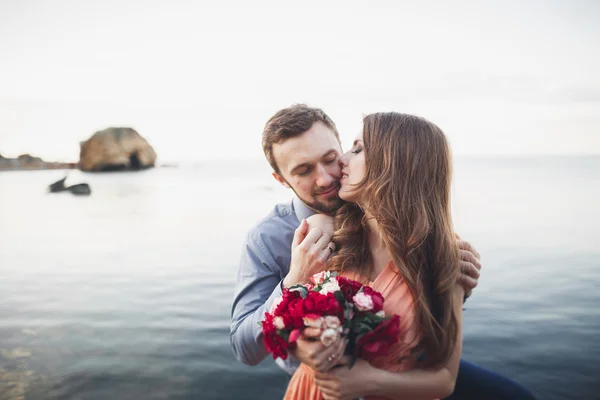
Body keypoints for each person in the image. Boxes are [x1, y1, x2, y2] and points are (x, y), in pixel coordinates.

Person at [230, 105, 534, 399]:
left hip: (399, 367)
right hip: (321, 380)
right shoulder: (277, 238)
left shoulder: (392, 223)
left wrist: (455, 282)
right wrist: (296, 283)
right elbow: (249, 346)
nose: (326, 178)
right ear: (281, 180)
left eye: (333, 157)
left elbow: (431, 328)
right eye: (304, 170)